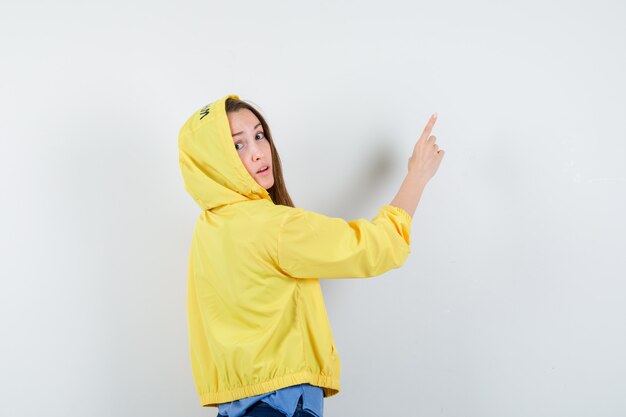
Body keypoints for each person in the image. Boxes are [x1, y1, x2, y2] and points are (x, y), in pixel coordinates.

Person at [177, 94, 444, 417]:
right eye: (238, 145)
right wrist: (417, 175)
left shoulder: (207, 230)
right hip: (278, 406)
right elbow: (373, 248)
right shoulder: (272, 227)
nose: (259, 152)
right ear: (213, 160)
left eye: (259, 136)